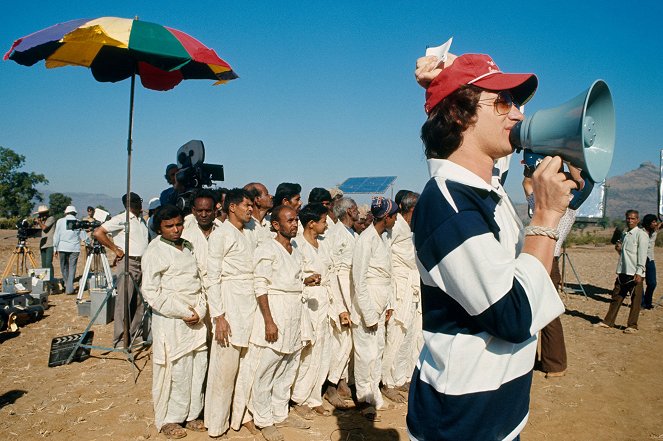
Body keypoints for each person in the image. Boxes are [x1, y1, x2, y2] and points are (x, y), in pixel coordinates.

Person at [407, 53, 572, 440]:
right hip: (462, 423)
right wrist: (546, 217)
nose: (517, 115)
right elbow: (513, 316)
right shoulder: (448, 205)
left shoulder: (486, 186)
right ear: (460, 115)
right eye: (503, 102)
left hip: (498, 412)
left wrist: (444, 77)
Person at [244, 205, 317, 441]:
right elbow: (261, 285)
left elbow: (289, 279)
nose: (295, 224)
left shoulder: (294, 249)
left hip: (295, 312)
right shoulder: (267, 249)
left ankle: (280, 412)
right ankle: (264, 419)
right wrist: (268, 321)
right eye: (290, 221)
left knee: (288, 366)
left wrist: (306, 280)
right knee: (268, 368)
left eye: (296, 220)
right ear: (276, 225)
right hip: (275, 311)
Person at [141, 205, 208, 439]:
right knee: (176, 371)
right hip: (172, 321)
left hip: (196, 320)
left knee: (197, 369)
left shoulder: (188, 247)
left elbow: (198, 280)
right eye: (169, 226)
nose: (176, 229)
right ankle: (169, 419)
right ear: (159, 228)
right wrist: (182, 311)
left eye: (179, 224)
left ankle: (191, 414)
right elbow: (151, 292)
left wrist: (200, 309)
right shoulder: (154, 251)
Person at [204, 188, 256, 438]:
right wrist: (219, 315)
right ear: (232, 207)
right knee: (224, 369)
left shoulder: (248, 234)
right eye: (246, 205)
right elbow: (211, 277)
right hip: (229, 302)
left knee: (243, 367)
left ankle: (241, 415)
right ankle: (216, 424)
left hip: (249, 304)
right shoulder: (221, 235)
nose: (250, 209)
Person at [523, 174, 574, 378]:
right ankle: (546, 360)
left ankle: (556, 364)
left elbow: (526, 184)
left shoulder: (553, 206)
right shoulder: (570, 207)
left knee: (548, 314)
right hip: (548, 261)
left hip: (545, 260)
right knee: (539, 311)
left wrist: (532, 170)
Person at [351, 197, 398, 419]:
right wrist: (368, 313)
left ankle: (375, 394)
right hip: (366, 305)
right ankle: (364, 397)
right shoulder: (365, 240)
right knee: (365, 354)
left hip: (381, 302)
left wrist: (388, 303)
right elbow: (359, 280)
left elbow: (386, 274)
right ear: (386, 217)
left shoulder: (383, 238)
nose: (396, 219)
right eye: (394, 215)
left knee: (377, 350)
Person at [291, 203, 336, 418]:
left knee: (322, 351)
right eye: (324, 221)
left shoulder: (322, 245)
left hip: (324, 303)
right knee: (306, 352)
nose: (326, 225)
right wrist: (305, 280)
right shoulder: (296, 244)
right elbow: (290, 275)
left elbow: (330, 274)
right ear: (311, 224)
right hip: (307, 303)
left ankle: (315, 397)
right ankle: (299, 398)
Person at [94, 192, 149, 348]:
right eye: (137, 202)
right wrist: (116, 249)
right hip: (129, 262)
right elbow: (98, 232)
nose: (140, 204)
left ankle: (135, 336)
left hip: (142, 262)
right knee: (124, 301)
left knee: (139, 301)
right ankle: (120, 339)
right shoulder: (121, 220)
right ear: (130, 204)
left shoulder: (141, 221)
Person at [382, 191, 421, 401]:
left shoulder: (410, 229)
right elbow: (386, 260)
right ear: (413, 209)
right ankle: (388, 381)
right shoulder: (395, 227)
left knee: (412, 335)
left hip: (413, 288)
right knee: (396, 335)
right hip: (399, 288)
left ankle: (403, 377)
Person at [324, 197, 359, 409]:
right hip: (341, 288)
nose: (358, 212)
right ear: (346, 211)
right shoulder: (336, 234)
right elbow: (335, 270)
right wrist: (341, 305)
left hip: (352, 287)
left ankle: (342, 380)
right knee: (341, 340)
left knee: (349, 340)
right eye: (354, 208)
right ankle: (330, 386)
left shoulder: (352, 233)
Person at [596, 210, 648, 333]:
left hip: (635, 273)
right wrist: (619, 249)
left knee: (635, 300)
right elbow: (624, 254)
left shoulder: (641, 235)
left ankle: (632, 326)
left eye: (633, 218)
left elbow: (642, 254)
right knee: (616, 296)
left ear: (638, 220)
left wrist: (639, 272)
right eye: (628, 218)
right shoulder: (625, 233)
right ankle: (608, 321)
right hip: (623, 271)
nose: (630, 221)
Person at [52, 205, 86, 294]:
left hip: (62, 247)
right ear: (75, 213)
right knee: (72, 267)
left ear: (66, 212)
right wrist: (89, 243)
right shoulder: (78, 222)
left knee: (63, 266)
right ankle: (69, 288)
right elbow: (83, 235)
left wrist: (55, 248)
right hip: (74, 248)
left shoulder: (60, 221)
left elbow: (56, 235)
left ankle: (67, 284)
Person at [243, 182, 274, 247]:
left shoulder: (271, 220)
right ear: (257, 200)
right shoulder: (247, 227)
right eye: (267, 194)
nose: (271, 196)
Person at [641, 214, 659, 310]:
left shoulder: (654, 231)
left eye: (656, 222)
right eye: (653, 222)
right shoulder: (640, 232)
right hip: (640, 258)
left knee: (652, 283)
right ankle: (641, 303)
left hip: (650, 258)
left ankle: (648, 302)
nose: (655, 224)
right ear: (648, 223)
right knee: (639, 282)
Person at [34, 205, 55, 282]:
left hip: (49, 243)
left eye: (41, 214)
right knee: (43, 264)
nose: (40, 216)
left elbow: (44, 228)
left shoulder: (51, 218)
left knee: (48, 263)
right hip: (43, 244)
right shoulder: (43, 221)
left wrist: (39, 221)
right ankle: (45, 280)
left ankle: (51, 280)